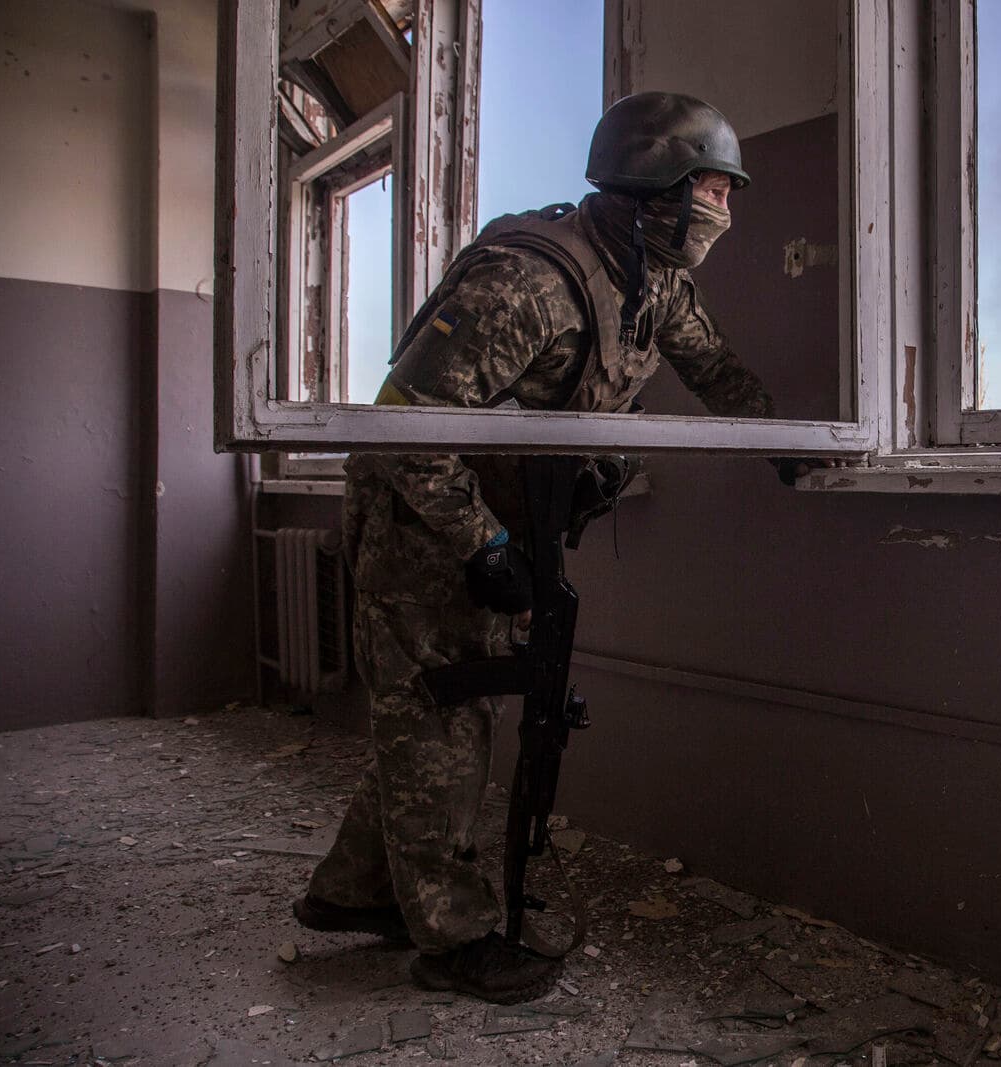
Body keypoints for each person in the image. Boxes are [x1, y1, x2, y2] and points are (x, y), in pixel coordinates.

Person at [291, 91, 796, 1004]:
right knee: (444, 715)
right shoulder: (528, 286)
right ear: (659, 187)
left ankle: (354, 889)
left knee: (432, 717)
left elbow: (714, 369)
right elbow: (404, 423)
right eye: (716, 189)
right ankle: (453, 937)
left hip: (500, 512)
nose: (726, 210)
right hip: (419, 519)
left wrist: (787, 444)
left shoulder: (650, 281)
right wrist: (480, 542)